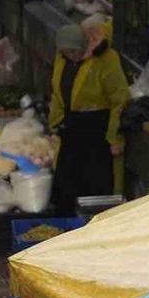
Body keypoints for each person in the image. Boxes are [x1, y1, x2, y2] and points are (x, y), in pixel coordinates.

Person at [48, 16, 130, 214]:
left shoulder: (106, 59)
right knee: (67, 187)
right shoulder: (63, 58)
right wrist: (55, 124)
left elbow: (119, 98)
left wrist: (115, 137)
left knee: (95, 185)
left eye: (75, 52)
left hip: (97, 131)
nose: (72, 56)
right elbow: (58, 93)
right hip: (72, 129)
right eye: (67, 53)